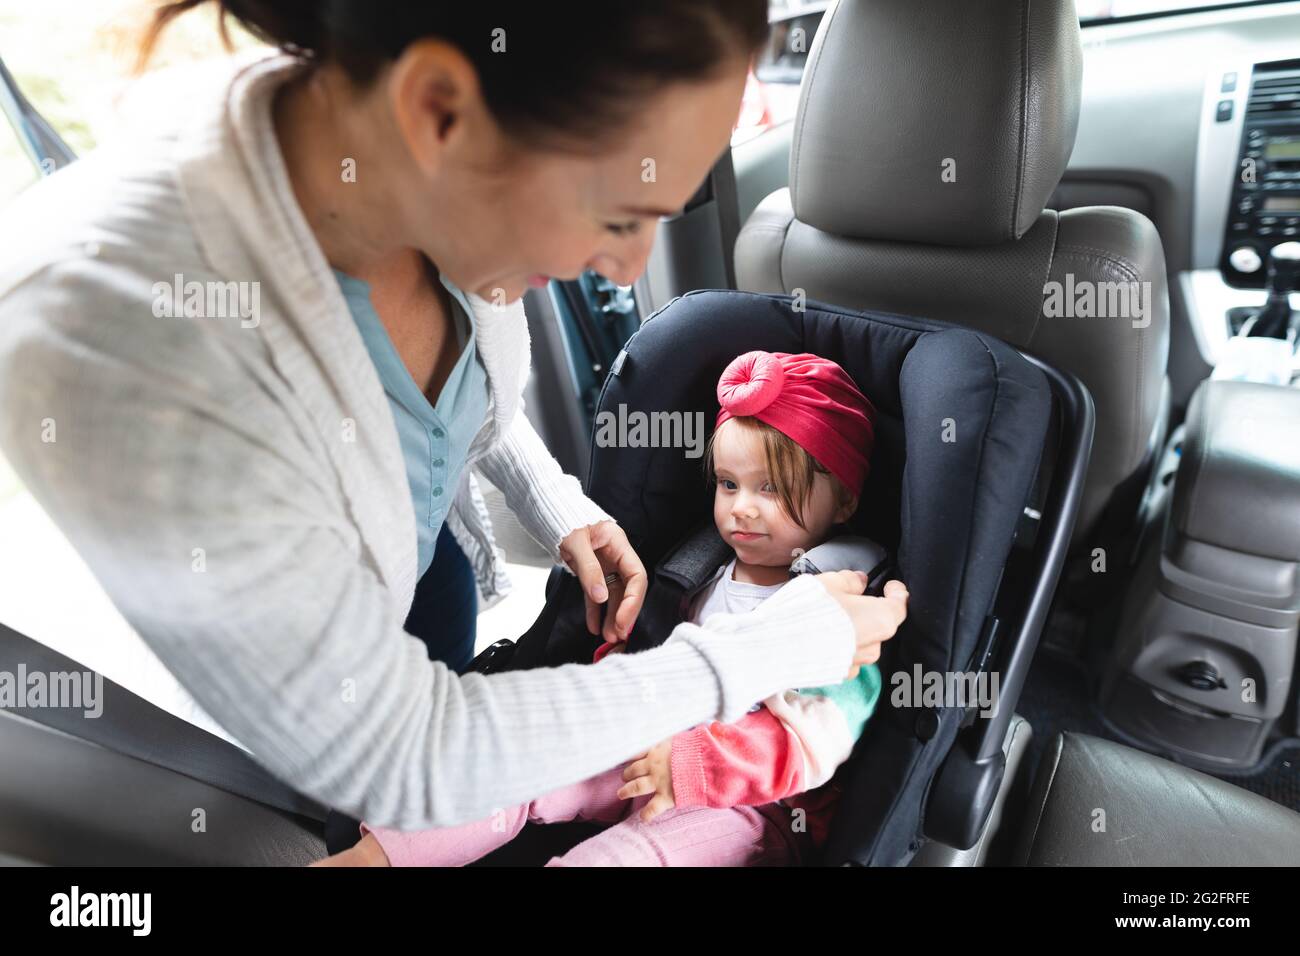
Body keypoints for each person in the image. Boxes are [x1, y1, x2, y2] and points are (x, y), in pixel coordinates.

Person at [0, 4, 908, 833]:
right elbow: (404, 751)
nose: (630, 270)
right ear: (439, 110)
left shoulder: (427, 192)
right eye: (618, 215)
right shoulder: (111, 335)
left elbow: (457, 392)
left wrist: (561, 507)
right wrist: (768, 649)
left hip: (422, 616)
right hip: (234, 757)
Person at [315, 350, 904, 866]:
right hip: (647, 744)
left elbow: (811, 746)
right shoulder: (698, 571)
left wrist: (694, 764)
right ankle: (379, 856)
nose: (741, 509)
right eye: (728, 484)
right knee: (520, 758)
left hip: (751, 806)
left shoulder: (849, 609)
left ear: (845, 499)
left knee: (629, 857)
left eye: (769, 489)